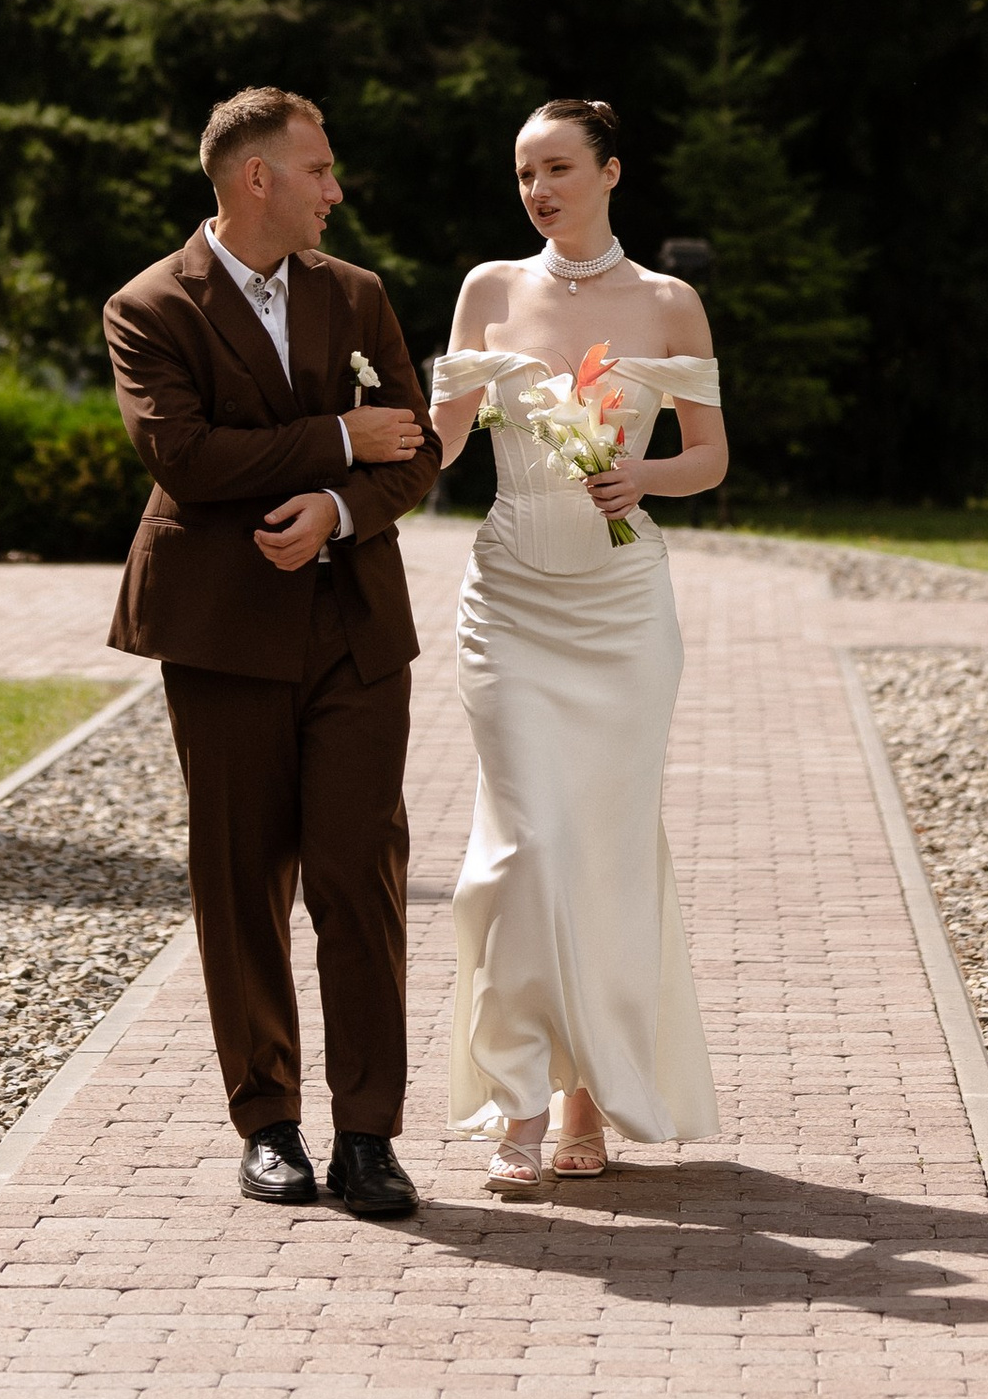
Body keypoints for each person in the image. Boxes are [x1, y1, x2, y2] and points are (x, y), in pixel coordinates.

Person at [105, 88, 438, 1219]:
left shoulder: (358, 294)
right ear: (258, 178)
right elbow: (187, 457)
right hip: (221, 632)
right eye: (320, 169)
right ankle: (270, 1123)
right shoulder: (149, 306)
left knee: (361, 877)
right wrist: (341, 440)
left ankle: (368, 1134)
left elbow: (420, 454)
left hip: (354, 630)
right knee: (240, 882)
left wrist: (337, 512)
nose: (336, 190)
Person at [429, 95, 726, 1189]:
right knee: (523, 845)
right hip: (508, 596)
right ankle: (509, 1103)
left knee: (598, 846)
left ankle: (582, 1096)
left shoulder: (666, 301)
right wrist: (368, 432)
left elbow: (707, 457)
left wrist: (638, 473)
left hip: (621, 608)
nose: (538, 189)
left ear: (610, 170)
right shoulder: (489, 290)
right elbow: (444, 441)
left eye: (557, 167)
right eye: (522, 174)